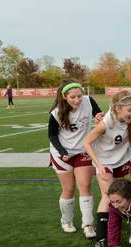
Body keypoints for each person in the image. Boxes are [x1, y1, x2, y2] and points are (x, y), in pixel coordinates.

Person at [48, 80, 103, 238]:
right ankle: (66, 220)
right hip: (61, 154)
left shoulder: (88, 101)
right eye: (73, 97)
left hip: (82, 151)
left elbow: (98, 114)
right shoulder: (56, 113)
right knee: (69, 189)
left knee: (85, 185)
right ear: (64, 96)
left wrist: (99, 116)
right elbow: (52, 135)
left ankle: (88, 224)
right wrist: (61, 150)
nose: (77, 100)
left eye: (79, 96)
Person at [83, 90, 131, 247]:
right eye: (130, 110)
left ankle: (114, 229)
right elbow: (86, 142)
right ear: (118, 109)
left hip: (120, 160)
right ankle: (101, 239)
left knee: (120, 196)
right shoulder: (106, 123)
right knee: (108, 197)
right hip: (105, 162)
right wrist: (98, 164)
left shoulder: (128, 119)